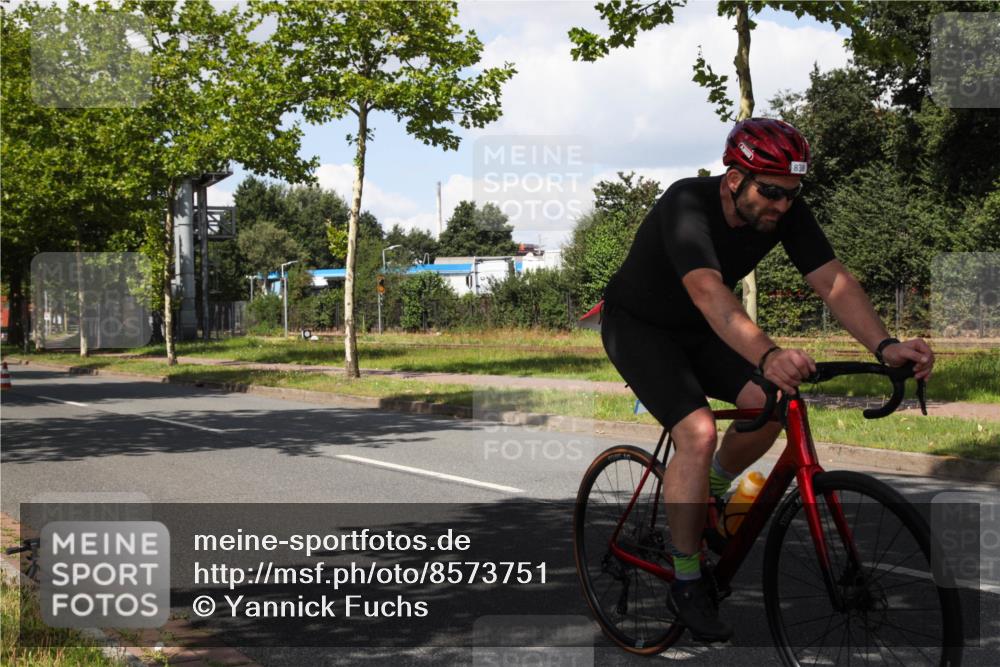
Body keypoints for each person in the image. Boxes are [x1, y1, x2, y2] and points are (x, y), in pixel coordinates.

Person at [600, 117, 935, 642]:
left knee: (771, 403)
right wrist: (770, 352)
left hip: (700, 332)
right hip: (639, 327)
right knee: (698, 431)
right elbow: (709, 290)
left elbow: (833, 280)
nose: (783, 205)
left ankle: (710, 488)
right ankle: (685, 580)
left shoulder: (786, 212)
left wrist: (886, 346)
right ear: (735, 179)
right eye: (772, 192)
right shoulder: (686, 203)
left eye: (792, 194)